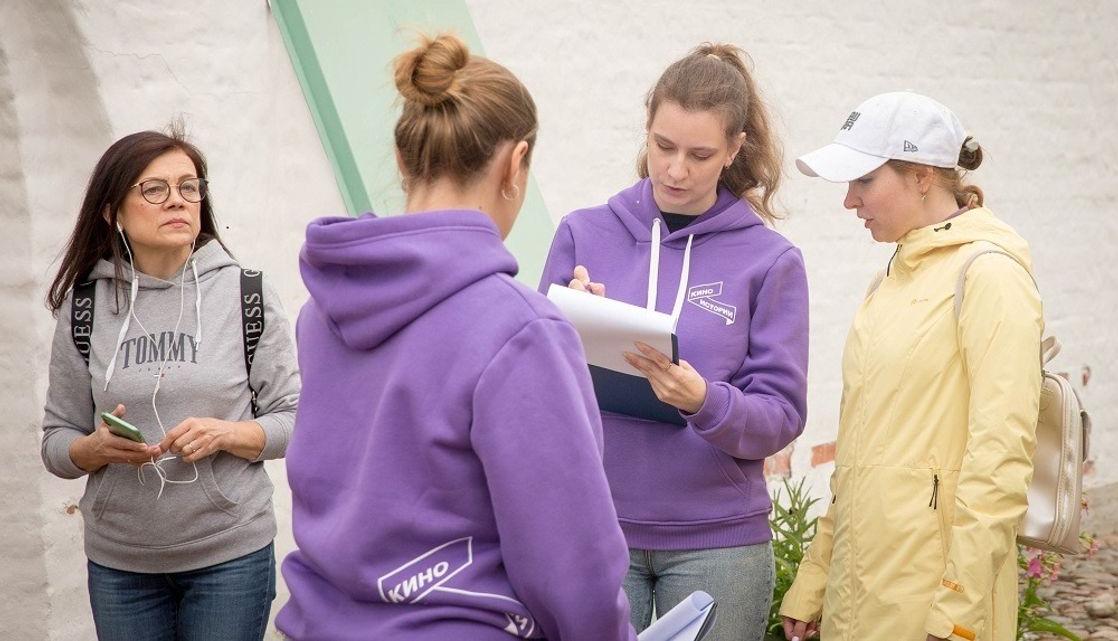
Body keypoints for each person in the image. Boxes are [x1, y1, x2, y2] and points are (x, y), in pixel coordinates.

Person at [276, 33, 636, 641]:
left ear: (401, 157)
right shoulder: (520, 331)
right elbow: (571, 566)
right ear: (515, 164)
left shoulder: (324, 310)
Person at [538, 43, 810, 641]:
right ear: (647, 130)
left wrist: (703, 401)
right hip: (596, 528)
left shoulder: (771, 261)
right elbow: (532, 391)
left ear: (736, 149)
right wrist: (570, 324)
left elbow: (783, 415)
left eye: (700, 153)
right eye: (664, 146)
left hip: (721, 544)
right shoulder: (582, 235)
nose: (676, 170)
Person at [780, 91, 1044, 641]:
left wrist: (958, 616)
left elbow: (1001, 462)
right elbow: (855, 456)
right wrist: (816, 580)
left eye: (864, 181)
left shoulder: (990, 277)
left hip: (934, 608)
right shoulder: (889, 281)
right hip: (861, 596)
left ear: (923, 176)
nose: (850, 200)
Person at [40, 127, 301, 641]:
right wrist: (94, 448)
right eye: (154, 189)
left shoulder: (246, 292)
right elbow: (55, 443)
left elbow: (294, 420)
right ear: (113, 212)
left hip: (230, 555)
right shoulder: (85, 307)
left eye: (189, 186)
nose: (177, 200)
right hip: (121, 565)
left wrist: (224, 433)